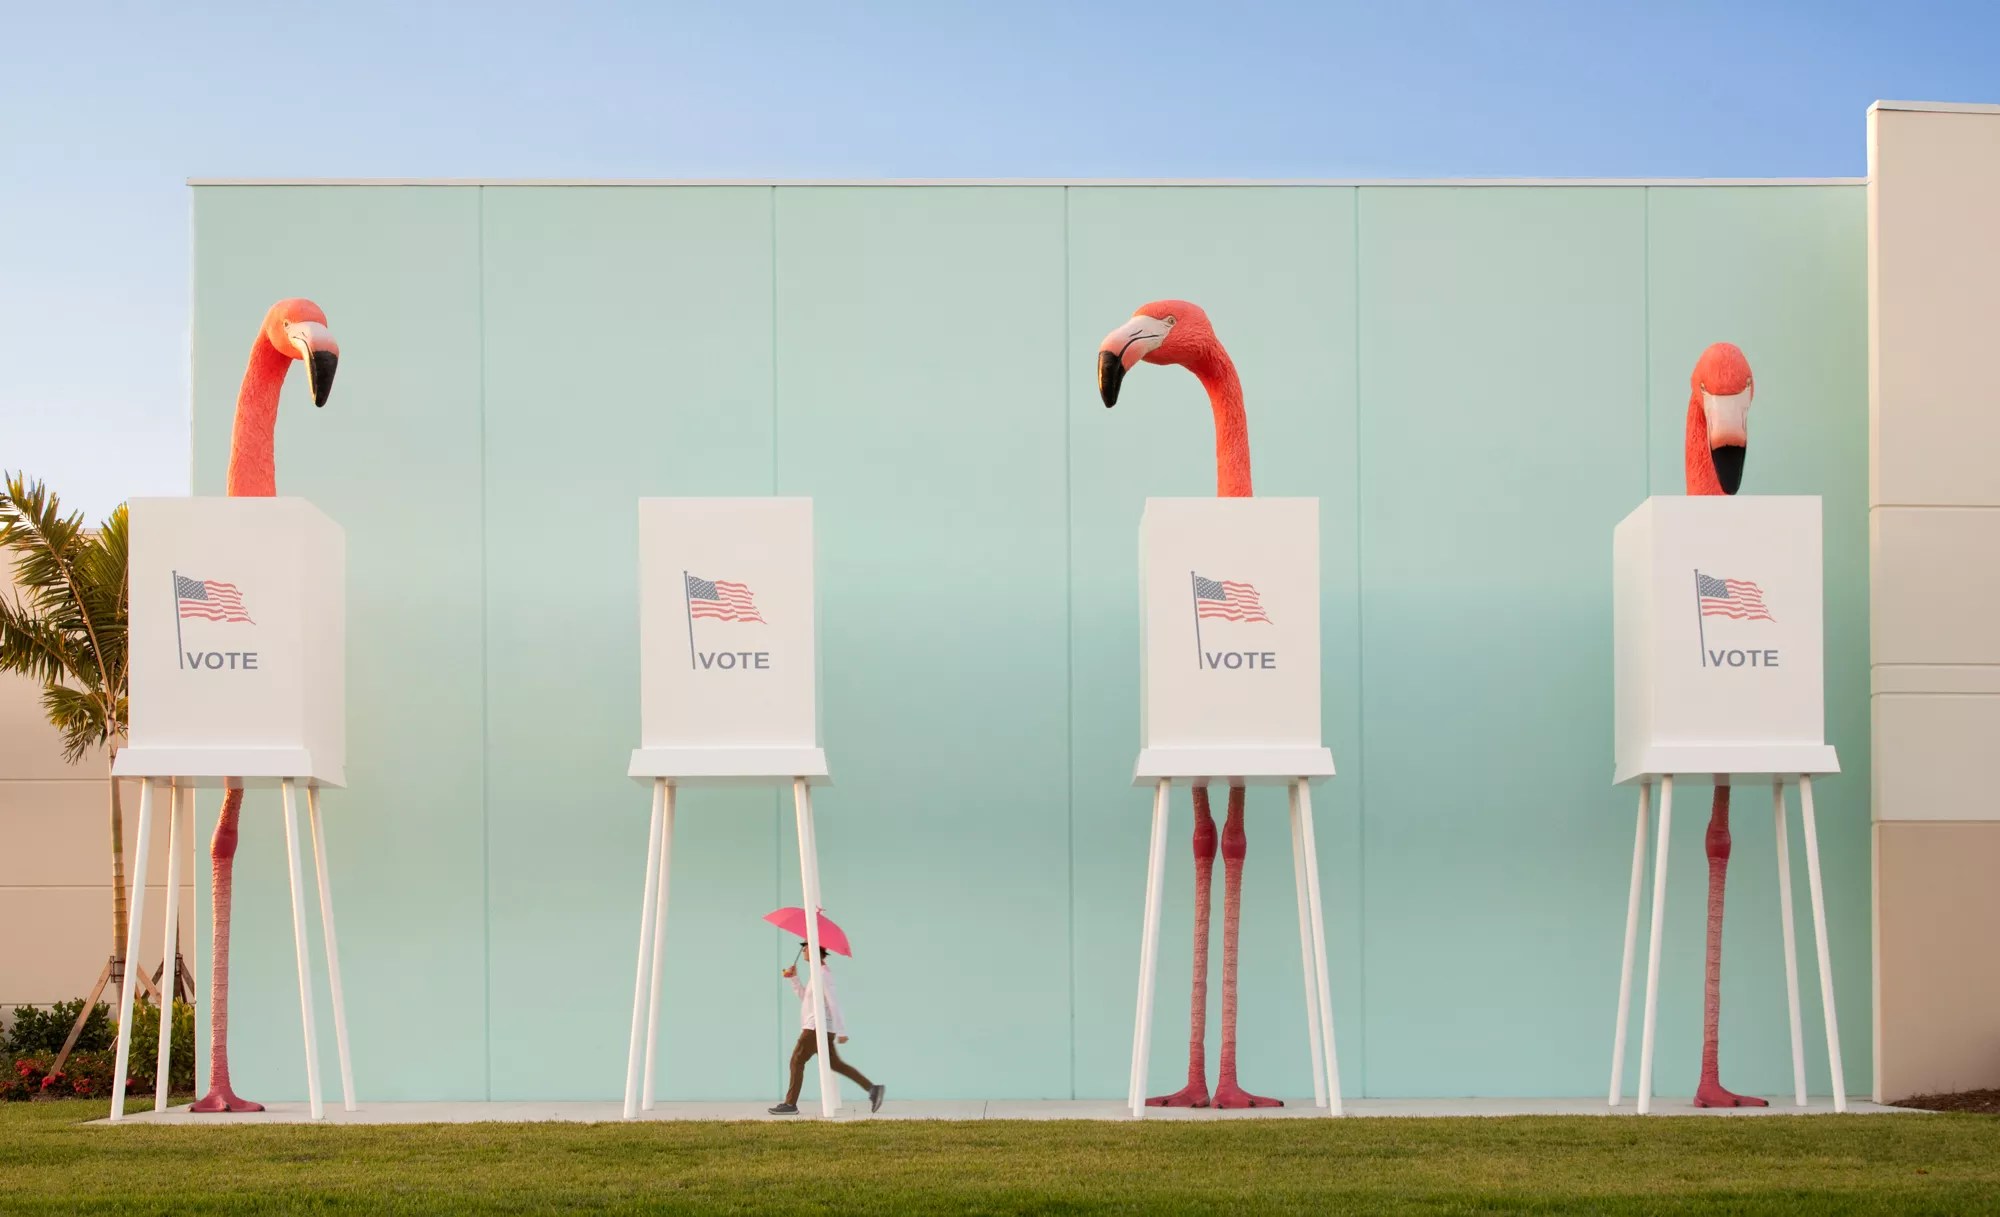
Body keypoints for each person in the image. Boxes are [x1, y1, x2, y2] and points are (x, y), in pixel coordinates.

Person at [769, 944, 885, 1115]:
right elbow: (806, 999)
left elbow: (833, 1002)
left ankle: (790, 1104)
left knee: (796, 1061)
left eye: (806, 948)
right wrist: (794, 979)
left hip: (815, 1028)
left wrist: (842, 1030)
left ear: (816, 951)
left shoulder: (823, 975)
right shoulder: (816, 974)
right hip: (819, 1027)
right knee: (836, 1064)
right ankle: (873, 1089)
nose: (803, 951)